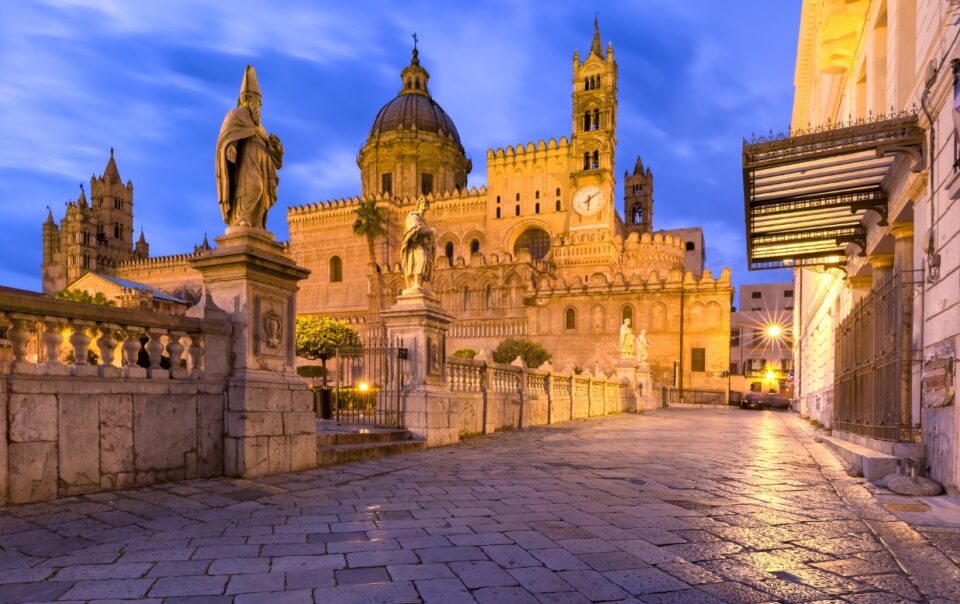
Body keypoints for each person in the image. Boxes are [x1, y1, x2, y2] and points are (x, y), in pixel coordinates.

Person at [216, 65, 284, 230]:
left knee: (262, 192)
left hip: (262, 163)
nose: (257, 105)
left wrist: (276, 150)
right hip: (247, 161)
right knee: (254, 187)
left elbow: (276, 159)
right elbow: (227, 136)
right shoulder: (235, 115)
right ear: (245, 98)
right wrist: (230, 147)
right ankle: (241, 218)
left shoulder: (261, 128)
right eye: (254, 100)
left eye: (259, 102)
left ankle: (256, 222)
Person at [401, 197, 436, 291]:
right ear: (418, 204)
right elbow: (413, 229)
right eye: (422, 202)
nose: (424, 204)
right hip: (415, 245)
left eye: (426, 203)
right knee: (421, 259)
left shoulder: (424, 220)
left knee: (425, 264)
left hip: (424, 246)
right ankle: (416, 283)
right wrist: (429, 231)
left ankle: (419, 283)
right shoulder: (413, 216)